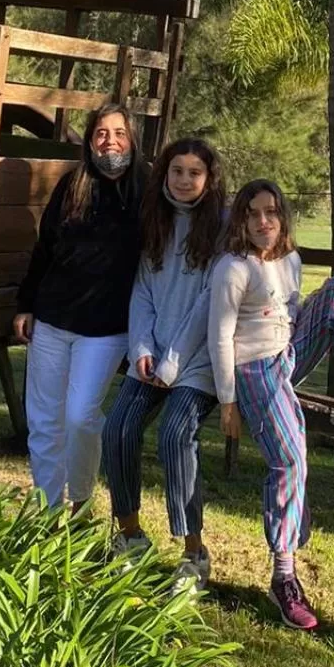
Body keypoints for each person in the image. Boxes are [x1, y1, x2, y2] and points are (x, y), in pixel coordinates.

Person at [208, 179, 334, 631]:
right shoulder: (232, 269)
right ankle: (284, 577)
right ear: (241, 221)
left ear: (282, 217)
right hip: (253, 370)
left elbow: (292, 312)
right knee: (291, 461)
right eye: (253, 213)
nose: (264, 221)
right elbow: (220, 337)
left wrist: (319, 318)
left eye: (272, 212)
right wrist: (227, 402)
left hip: (286, 357)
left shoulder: (291, 261)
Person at [102, 137, 226, 594]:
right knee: (117, 428)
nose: (185, 180)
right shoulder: (153, 220)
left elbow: (210, 303)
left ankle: (194, 554)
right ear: (165, 174)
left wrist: (172, 362)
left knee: (175, 433)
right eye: (177, 171)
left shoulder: (222, 227)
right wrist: (140, 349)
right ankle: (131, 536)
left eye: (195, 172)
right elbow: (143, 290)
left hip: (199, 358)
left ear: (209, 179)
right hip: (153, 354)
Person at [13, 103, 146, 511]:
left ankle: (81, 501)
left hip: (106, 327)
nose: (110, 141)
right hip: (53, 318)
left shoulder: (146, 191)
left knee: (81, 416)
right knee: (44, 421)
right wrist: (26, 305)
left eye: (118, 133)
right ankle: (48, 508)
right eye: (102, 134)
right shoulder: (74, 184)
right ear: (90, 142)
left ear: (131, 139)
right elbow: (45, 248)